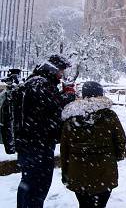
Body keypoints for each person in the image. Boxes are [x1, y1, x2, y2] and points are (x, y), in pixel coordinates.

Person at [15, 55, 76, 207]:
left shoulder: (36, 82)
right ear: (53, 69)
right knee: (36, 186)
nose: (62, 75)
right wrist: (68, 95)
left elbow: (47, 106)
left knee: (30, 184)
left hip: (33, 142)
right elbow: (54, 106)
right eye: (61, 71)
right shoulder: (39, 84)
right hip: (37, 144)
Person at [61, 81, 126, 208]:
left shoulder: (71, 118)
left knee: (83, 204)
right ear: (100, 94)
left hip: (78, 173)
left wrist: (66, 173)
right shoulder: (109, 115)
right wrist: (116, 156)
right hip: (104, 172)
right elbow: (120, 140)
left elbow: (65, 149)